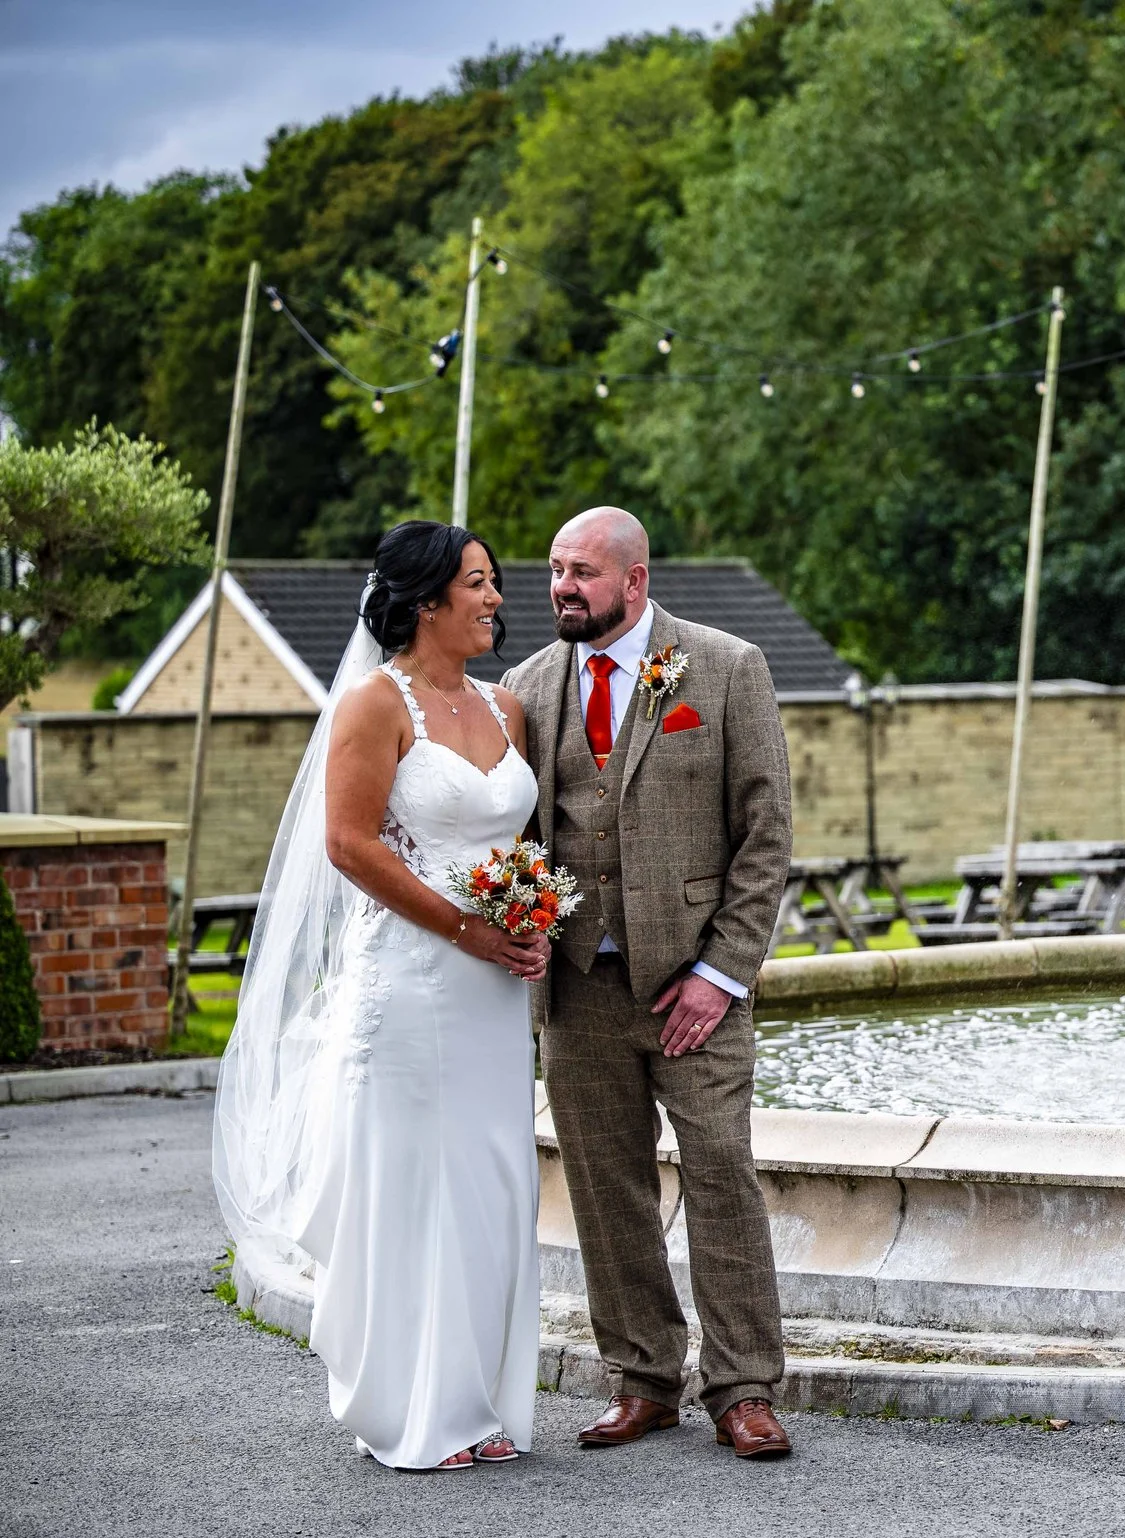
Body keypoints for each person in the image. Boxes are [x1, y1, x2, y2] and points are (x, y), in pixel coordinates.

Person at [211, 521, 548, 1471]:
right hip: (410, 979)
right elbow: (350, 844)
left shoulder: (506, 708)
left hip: (492, 992)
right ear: (427, 600)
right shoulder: (374, 702)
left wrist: (527, 916)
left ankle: (480, 1399)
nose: (494, 599)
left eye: (493, 583)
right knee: (414, 1183)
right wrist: (467, 927)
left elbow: (513, 843)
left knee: (491, 1181)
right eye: (476, 584)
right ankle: (412, 1409)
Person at [502, 506, 795, 1460]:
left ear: (634, 579)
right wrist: (523, 929)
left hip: (693, 984)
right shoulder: (527, 686)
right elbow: (514, 838)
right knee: (604, 1186)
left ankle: (744, 1386)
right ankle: (643, 1378)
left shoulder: (724, 667)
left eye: (581, 571)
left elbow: (766, 837)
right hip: (579, 989)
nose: (561, 587)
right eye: (554, 569)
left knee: (719, 1174)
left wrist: (721, 972)